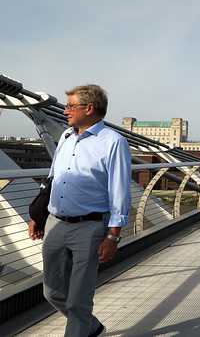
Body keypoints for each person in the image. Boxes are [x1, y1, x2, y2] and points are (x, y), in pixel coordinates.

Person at [28, 84, 132, 337]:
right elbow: (53, 178)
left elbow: (120, 191)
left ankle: (79, 328)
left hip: (90, 225)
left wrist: (113, 236)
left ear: (89, 108)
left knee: (79, 298)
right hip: (54, 222)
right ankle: (91, 327)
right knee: (51, 291)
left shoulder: (113, 142)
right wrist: (38, 217)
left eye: (70, 106)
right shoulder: (66, 136)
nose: (65, 112)